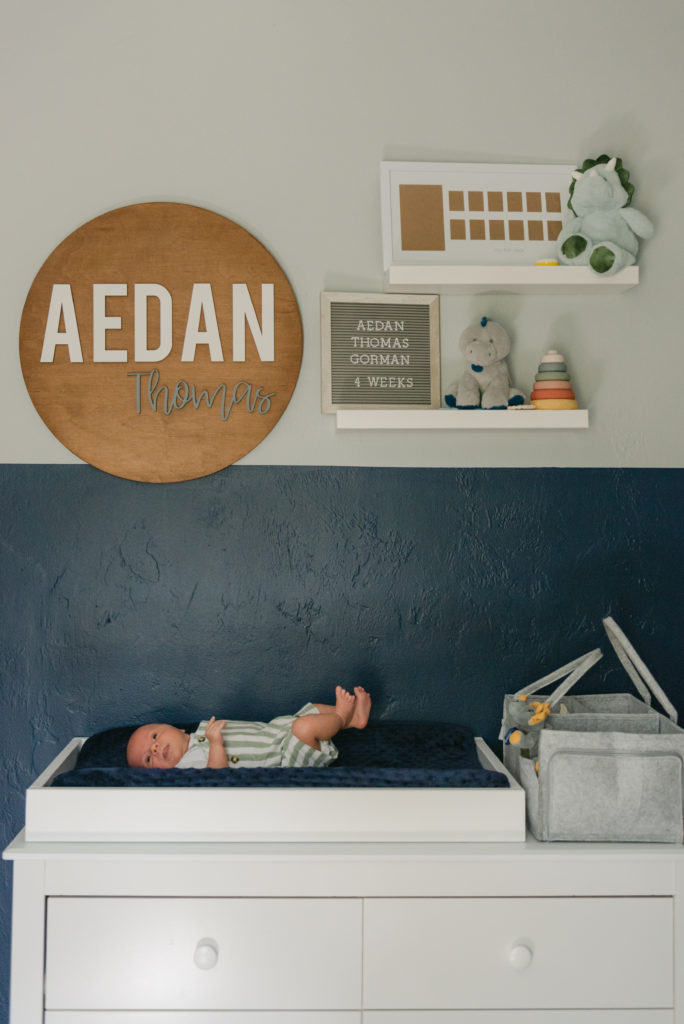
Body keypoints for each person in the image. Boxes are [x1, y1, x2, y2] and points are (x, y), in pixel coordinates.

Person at [126, 685, 371, 770]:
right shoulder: (187, 766)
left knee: (309, 711)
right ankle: (340, 716)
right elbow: (216, 777)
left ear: (177, 729)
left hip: (276, 732)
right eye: (148, 758)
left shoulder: (200, 730)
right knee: (305, 728)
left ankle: (354, 721)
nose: (155, 748)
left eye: (154, 736)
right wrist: (216, 744)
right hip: (284, 757)